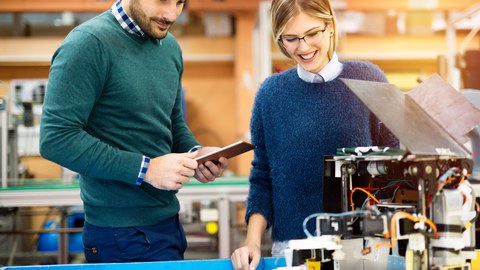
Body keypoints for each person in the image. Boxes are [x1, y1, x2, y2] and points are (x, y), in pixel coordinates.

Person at [39, 0, 228, 263]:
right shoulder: (88, 43)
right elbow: (56, 138)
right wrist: (146, 169)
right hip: (119, 234)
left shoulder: (169, 47)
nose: (171, 14)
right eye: (163, 1)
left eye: (180, 3)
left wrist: (197, 154)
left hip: (168, 222)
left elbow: (171, 123)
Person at [230, 0, 399, 269]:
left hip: (364, 248)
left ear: (329, 26)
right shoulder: (271, 94)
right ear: (280, 39)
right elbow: (263, 176)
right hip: (293, 250)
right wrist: (251, 241)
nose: (304, 47)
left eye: (312, 34)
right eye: (292, 38)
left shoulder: (369, 79)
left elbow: (396, 165)